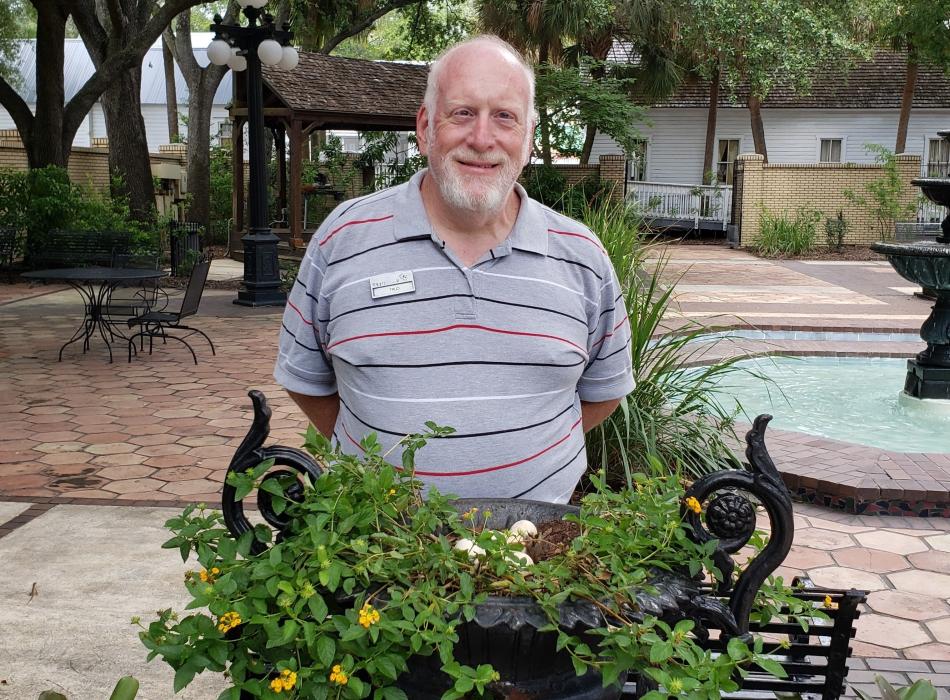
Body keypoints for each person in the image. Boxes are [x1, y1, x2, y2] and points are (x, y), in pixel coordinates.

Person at [274, 35, 634, 503]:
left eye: (504, 117)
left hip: (541, 556)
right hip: (379, 549)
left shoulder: (582, 256)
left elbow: (603, 391)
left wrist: (531, 448)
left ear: (527, 138)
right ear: (425, 128)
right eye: (462, 113)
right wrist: (372, 455)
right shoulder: (343, 238)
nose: (482, 138)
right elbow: (305, 379)